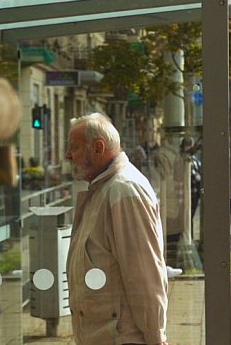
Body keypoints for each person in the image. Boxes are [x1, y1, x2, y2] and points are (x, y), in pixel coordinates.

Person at [64, 113, 168, 345]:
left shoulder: (123, 190)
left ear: (98, 148)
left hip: (121, 337)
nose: (68, 155)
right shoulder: (104, 188)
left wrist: (156, 338)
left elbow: (144, 276)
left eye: (74, 147)